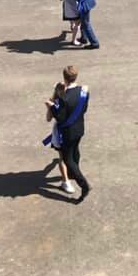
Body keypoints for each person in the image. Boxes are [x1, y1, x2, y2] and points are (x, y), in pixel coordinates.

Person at [46, 65, 91, 203]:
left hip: (67, 133)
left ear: (64, 77)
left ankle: (84, 184)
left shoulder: (64, 98)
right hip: (79, 129)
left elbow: (60, 118)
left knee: (67, 160)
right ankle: (73, 173)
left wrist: (51, 106)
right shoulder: (84, 91)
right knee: (75, 150)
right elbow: (84, 109)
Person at [43, 81, 74, 194]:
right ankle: (67, 180)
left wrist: (49, 108)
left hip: (64, 132)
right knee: (65, 157)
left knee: (64, 157)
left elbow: (48, 119)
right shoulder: (71, 99)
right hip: (68, 131)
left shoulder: (54, 102)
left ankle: (67, 179)